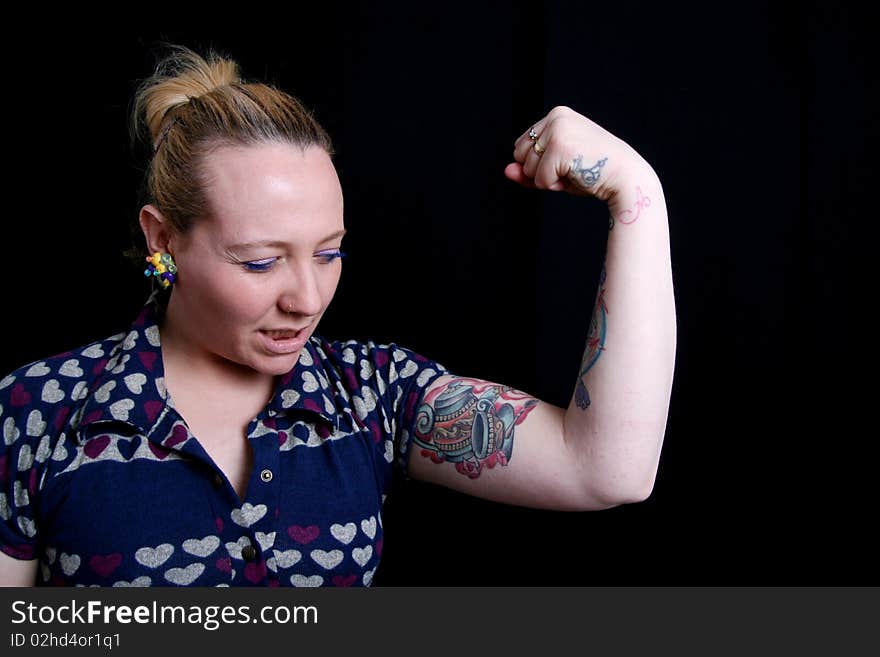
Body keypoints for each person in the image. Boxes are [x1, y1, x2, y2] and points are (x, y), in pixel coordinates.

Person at [0, 44, 676, 587]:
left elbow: (607, 468)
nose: (308, 297)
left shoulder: (372, 395)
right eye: (261, 262)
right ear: (163, 239)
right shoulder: (35, 413)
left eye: (329, 253)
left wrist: (637, 196)